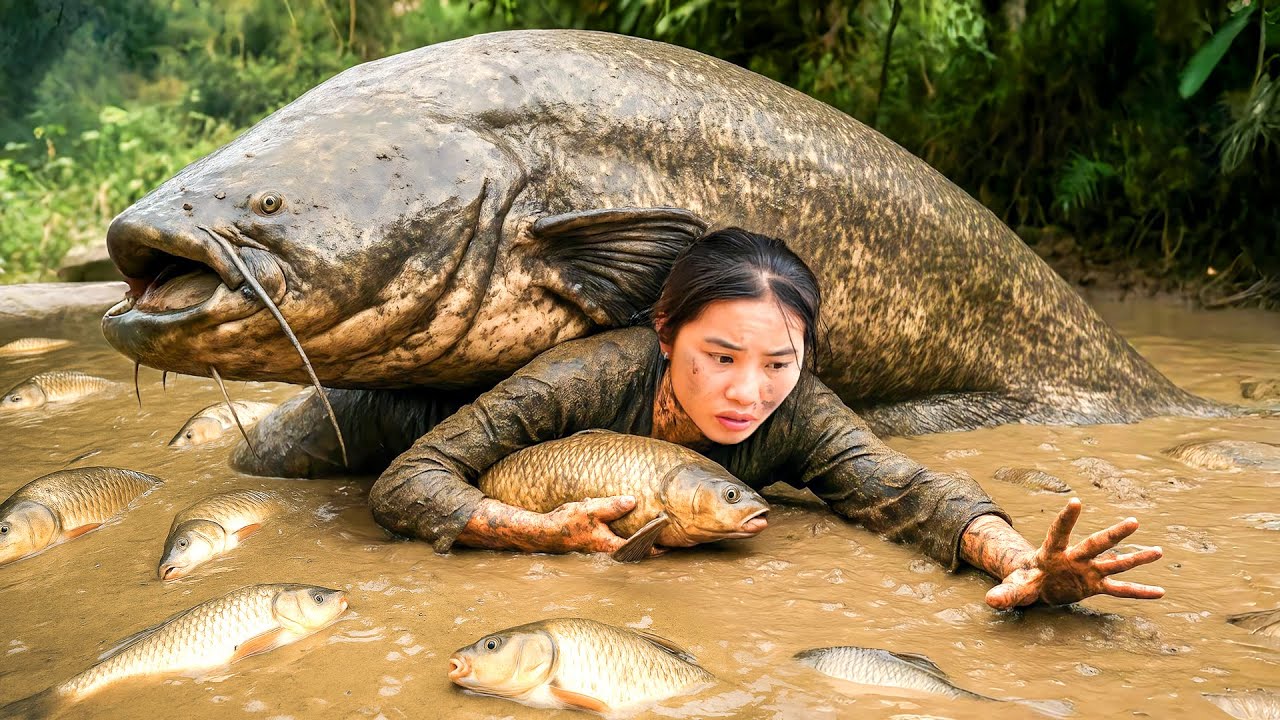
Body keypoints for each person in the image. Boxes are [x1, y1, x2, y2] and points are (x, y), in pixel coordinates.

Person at [368, 228, 1164, 610]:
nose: (748, 393)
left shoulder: (799, 410)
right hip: (386, 414)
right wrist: (538, 532)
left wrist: (1022, 562)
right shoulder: (588, 376)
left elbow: (907, 491)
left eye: (778, 364)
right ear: (666, 334)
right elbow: (408, 480)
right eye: (720, 357)